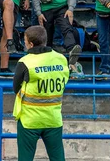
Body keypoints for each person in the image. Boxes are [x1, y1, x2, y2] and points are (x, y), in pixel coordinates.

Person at [13, 25, 69, 161]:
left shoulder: (25, 62)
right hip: (53, 118)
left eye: (25, 42)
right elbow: (64, 79)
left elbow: (16, 88)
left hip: (29, 120)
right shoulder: (61, 58)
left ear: (31, 44)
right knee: (58, 158)